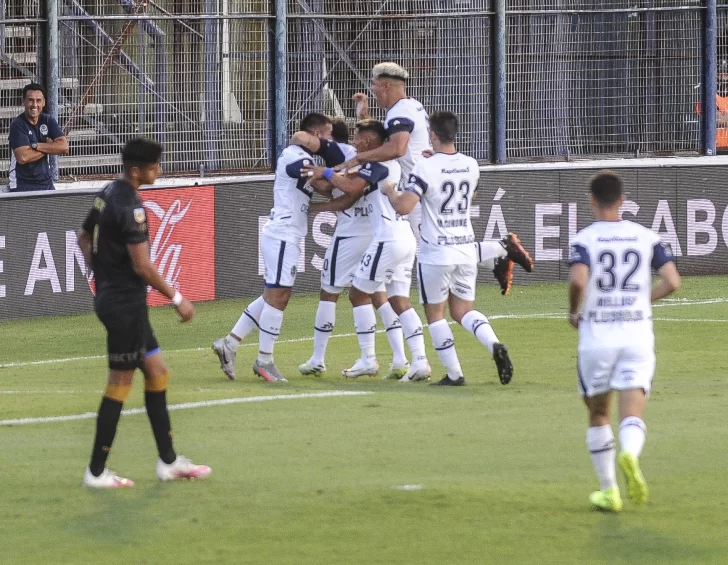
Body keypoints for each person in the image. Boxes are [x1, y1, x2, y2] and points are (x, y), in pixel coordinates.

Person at [77, 137, 210, 488]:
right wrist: (177, 297)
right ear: (137, 171)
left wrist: (100, 273)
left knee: (157, 371)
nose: (160, 171)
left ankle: (168, 462)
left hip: (119, 302)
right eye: (155, 167)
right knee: (119, 383)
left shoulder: (106, 193)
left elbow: (82, 238)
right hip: (125, 307)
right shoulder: (131, 205)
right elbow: (143, 266)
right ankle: (95, 472)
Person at [568, 170, 680, 512]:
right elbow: (673, 281)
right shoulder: (645, 236)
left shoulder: (585, 239)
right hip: (637, 337)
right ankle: (630, 452)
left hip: (598, 336)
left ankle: (609, 491)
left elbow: (577, 281)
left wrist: (574, 311)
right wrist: (642, 300)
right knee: (633, 412)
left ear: (592, 200)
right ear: (623, 200)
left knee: (599, 414)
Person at [383, 111, 516, 386]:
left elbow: (404, 206)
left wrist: (389, 192)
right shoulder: (470, 164)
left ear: (432, 134)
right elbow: (472, 194)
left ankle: (455, 374)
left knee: (436, 315)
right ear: (455, 134)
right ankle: (494, 345)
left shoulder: (424, 167)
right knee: (464, 311)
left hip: (436, 252)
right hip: (466, 248)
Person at [212, 113, 341, 382]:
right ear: (315, 133)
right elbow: (322, 185)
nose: (329, 141)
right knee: (279, 296)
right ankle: (264, 360)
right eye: (326, 135)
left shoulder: (302, 157)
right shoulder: (295, 155)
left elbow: (325, 186)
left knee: (272, 294)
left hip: (286, 234)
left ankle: (230, 343)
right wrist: (345, 178)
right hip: (283, 234)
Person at [303, 119, 432, 382]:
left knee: (358, 294)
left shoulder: (377, 164)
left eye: (359, 138)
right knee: (398, 300)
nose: (355, 143)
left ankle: (368, 359)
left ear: (369, 141)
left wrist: (325, 173)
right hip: (403, 237)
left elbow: (351, 188)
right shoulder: (383, 163)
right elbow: (350, 188)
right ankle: (418, 360)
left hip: (387, 239)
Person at [338, 63, 430, 240]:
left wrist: (358, 158)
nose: (371, 89)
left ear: (386, 85)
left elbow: (397, 148)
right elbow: (388, 140)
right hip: (421, 185)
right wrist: (364, 116)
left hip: (416, 190)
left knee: (426, 248)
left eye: (373, 83)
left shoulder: (400, 111)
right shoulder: (411, 105)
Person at [8, 83, 68, 192]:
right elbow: (23, 157)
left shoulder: (47, 120)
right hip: (22, 184)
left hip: (46, 182)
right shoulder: (17, 124)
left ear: (44, 102)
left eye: (38, 100)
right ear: (24, 102)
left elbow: (64, 147)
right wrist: (50, 147)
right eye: (30, 100)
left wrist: (36, 146)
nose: (34, 105)